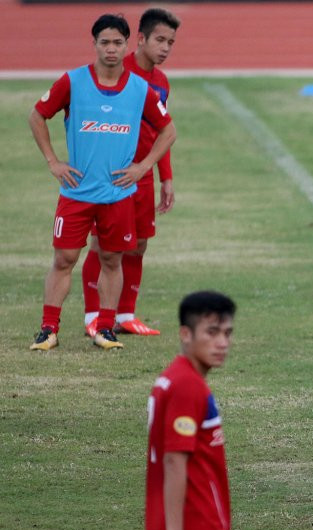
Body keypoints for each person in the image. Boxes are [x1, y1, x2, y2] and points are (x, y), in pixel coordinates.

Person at [28, 13, 176, 351]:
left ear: (127, 44)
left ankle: (105, 329)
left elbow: (169, 131)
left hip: (119, 194)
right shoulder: (73, 81)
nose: (111, 49)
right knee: (64, 259)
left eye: (117, 43)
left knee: (113, 260)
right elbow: (38, 115)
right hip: (76, 192)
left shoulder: (140, 89)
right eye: (104, 42)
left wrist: (144, 168)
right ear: (94, 44)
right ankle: (48, 328)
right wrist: (53, 161)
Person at [81, 8, 181, 338]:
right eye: (160, 40)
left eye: (171, 42)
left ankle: (125, 315)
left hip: (143, 176)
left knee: (138, 245)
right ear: (140, 39)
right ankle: (93, 316)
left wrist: (164, 176)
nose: (165, 48)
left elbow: (160, 131)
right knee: (104, 246)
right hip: (112, 176)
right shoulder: (119, 74)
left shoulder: (162, 82)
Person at [145, 291, 237, 530]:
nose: (222, 343)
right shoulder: (187, 386)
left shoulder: (174, 377)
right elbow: (174, 460)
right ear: (186, 334)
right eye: (211, 332)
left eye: (227, 333)